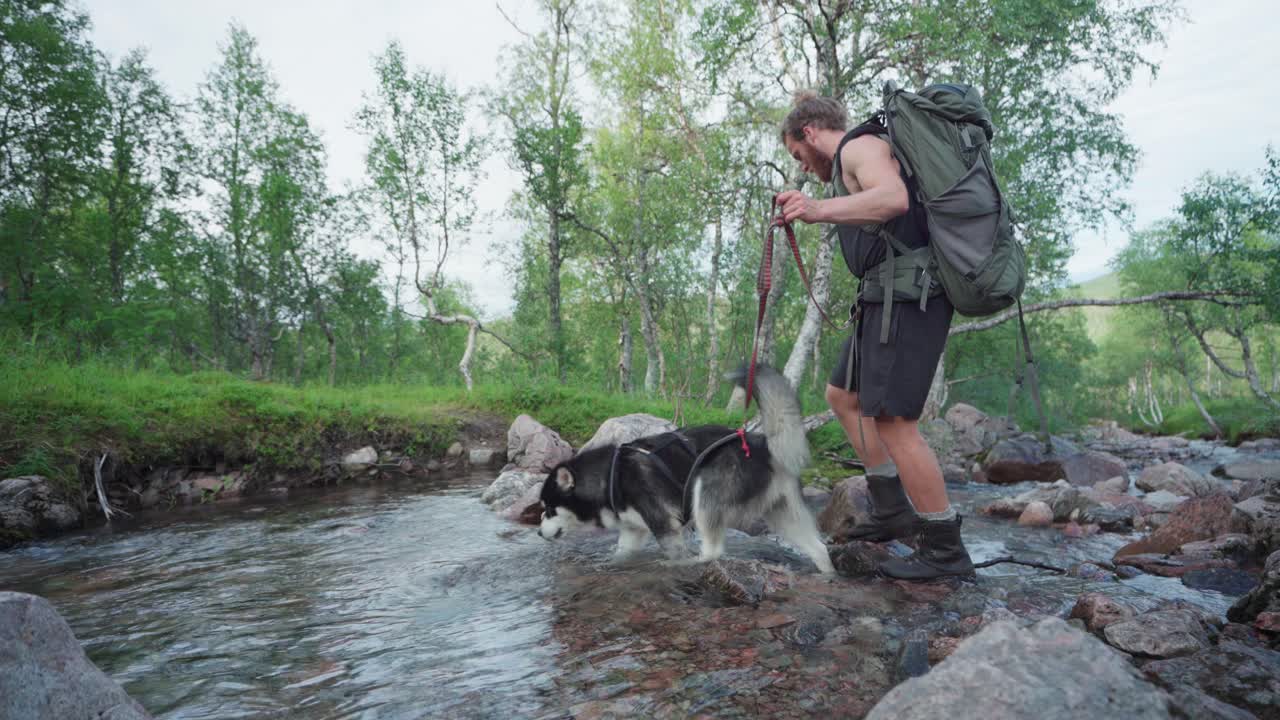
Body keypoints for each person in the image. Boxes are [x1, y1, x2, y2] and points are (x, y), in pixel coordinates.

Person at [775, 91, 973, 581]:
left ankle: (946, 549)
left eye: (798, 156)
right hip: (885, 298)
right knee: (842, 395)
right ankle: (892, 509)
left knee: (894, 423)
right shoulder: (853, 156)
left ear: (811, 134)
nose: (802, 168)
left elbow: (893, 199)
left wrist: (816, 210)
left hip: (909, 298)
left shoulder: (859, 147)